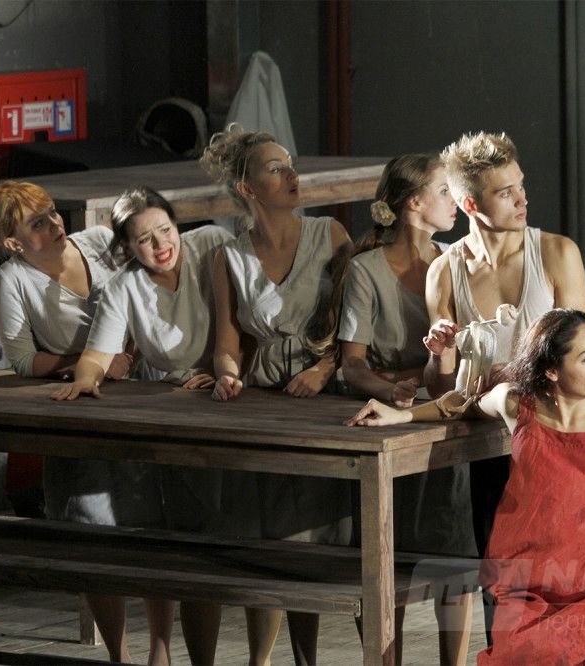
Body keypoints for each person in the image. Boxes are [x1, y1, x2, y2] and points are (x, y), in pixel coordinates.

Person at [347, 309, 585, 664]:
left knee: (544, 651)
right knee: (516, 652)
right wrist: (402, 414)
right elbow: (463, 403)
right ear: (551, 370)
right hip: (532, 586)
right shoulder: (517, 405)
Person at [51, 186, 233, 664]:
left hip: (235, 392)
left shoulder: (212, 244)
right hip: (180, 407)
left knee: (208, 539)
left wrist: (226, 368)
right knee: (176, 537)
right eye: (145, 240)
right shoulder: (123, 286)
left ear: (177, 224)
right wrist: (85, 380)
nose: (161, 245)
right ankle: (159, 652)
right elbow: (98, 354)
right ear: (128, 247)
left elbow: (245, 317)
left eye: (165, 231)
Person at [422, 131, 585, 639]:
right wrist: (440, 352)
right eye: (505, 192)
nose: (522, 199)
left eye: (521, 186)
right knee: (502, 588)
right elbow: (441, 385)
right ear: (470, 205)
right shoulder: (444, 271)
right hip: (490, 449)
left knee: (563, 587)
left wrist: (517, 375)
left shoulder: (556, 253)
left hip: (558, 442)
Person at [0, 181, 157, 665]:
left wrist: (131, 352)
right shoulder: (12, 279)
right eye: (38, 222)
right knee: (93, 531)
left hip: (145, 392)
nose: (55, 224)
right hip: (85, 404)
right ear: (14, 242)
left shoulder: (96, 242)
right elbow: (21, 359)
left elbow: (151, 284)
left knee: (156, 528)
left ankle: (161, 651)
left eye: (53, 213)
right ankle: (120, 655)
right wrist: (91, 361)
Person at [201, 123, 353, 666]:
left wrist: (325, 368)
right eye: (275, 168)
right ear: (248, 189)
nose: (292, 175)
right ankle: (260, 661)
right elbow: (227, 342)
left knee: (316, 540)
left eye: (291, 165)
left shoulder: (330, 235)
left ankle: (311, 658)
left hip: (326, 397)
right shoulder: (228, 257)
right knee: (267, 543)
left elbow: (358, 322)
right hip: (266, 401)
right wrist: (226, 374)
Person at [337, 154, 474, 665]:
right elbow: (353, 365)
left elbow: (464, 349)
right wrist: (389, 387)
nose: (454, 201)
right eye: (444, 191)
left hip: (442, 411)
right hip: (385, 422)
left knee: (452, 550)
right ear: (414, 202)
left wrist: (422, 378)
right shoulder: (366, 269)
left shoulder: (456, 261)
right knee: (383, 551)